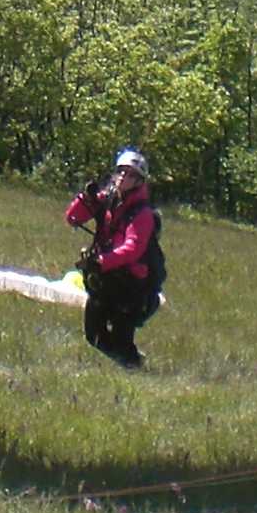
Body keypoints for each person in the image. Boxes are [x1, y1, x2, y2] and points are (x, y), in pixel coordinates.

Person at [66, 146, 164, 369]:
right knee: (94, 336)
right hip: (106, 278)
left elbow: (133, 248)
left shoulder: (143, 213)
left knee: (121, 341)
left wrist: (102, 261)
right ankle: (134, 364)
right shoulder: (107, 199)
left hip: (131, 285)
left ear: (140, 182)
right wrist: (86, 199)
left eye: (131, 175)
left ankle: (135, 368)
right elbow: (72, 218)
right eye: (121, 171)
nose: (123, 177)